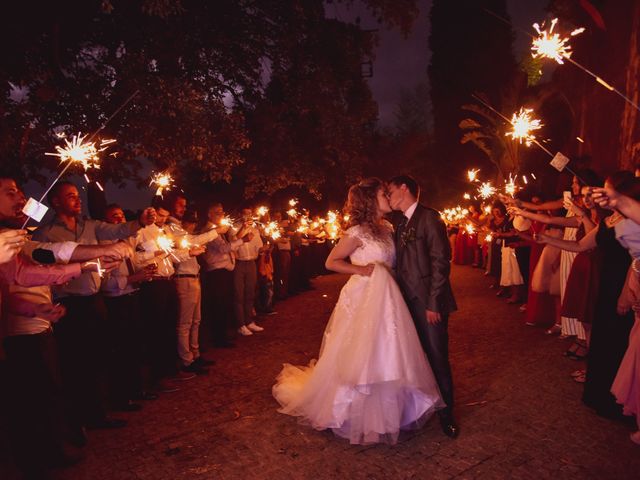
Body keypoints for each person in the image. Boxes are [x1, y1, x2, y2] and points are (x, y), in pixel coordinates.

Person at [273, 178, 443, 444]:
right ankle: (354, 412)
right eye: (382, 193)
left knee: (387, 352)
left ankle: (391, 413)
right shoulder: (357, 232)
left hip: (389, 298)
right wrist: (361, 270)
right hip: (364, 296)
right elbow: (331, 261)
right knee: (360, 354)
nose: (387, 196)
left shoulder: (387, 227)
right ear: (370, 200)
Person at [387, 174, 459, 438]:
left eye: (390, 191)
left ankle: (447, 414)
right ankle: (425, 406)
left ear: (404, 189)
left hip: (428, 303)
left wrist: (433, 303)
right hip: (406, 302)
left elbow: (441, 262)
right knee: (417, 359)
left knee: (438, 358)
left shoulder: (429, 217)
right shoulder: (400, 223)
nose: (389, 196)